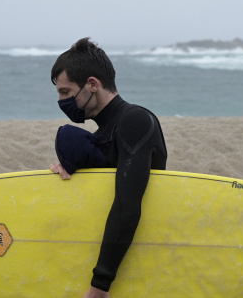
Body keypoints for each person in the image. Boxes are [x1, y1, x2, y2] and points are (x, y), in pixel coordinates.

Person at [49, 38, 168, 298]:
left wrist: (100, 285)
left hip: (131, 264)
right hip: (118, 262)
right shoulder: (104, 134)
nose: (61, 101)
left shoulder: (134, 121)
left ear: (92, 84)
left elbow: (127, 206)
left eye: (66, 92)